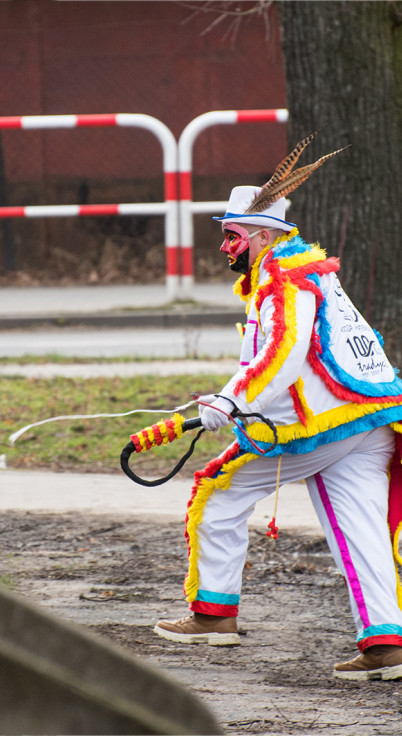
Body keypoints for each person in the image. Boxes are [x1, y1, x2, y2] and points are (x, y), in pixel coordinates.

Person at [151, 135, 402, 681]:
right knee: (359, 529)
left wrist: (229, 401)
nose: (226, 246)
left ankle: (214, 615)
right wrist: (231, 398)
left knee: (217, 491)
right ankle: (386, 644)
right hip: (373, 418)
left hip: (327, 425)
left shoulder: (284, 280)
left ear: (263, 236)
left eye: (233, 236)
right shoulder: (299, 272)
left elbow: (283, 354)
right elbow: (279, 356)